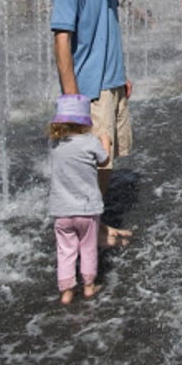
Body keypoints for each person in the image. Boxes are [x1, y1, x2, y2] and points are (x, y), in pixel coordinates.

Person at [51, 0, 133, 197]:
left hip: (110, 82)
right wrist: (72, 97)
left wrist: (120, 76)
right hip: (88, 88)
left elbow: (106, 28)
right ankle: (89, 225)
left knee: (107, 159)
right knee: (94, 160)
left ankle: (92, 221)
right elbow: (62, 40)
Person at [48, 93, 106, 305]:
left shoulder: (55, 145)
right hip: (87, 210)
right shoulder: (90, 142)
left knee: (65, 250)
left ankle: (67, 291)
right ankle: (89, 286)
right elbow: (104, 159)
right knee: (88, 247)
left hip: (61, 211)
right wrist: (105, 142)